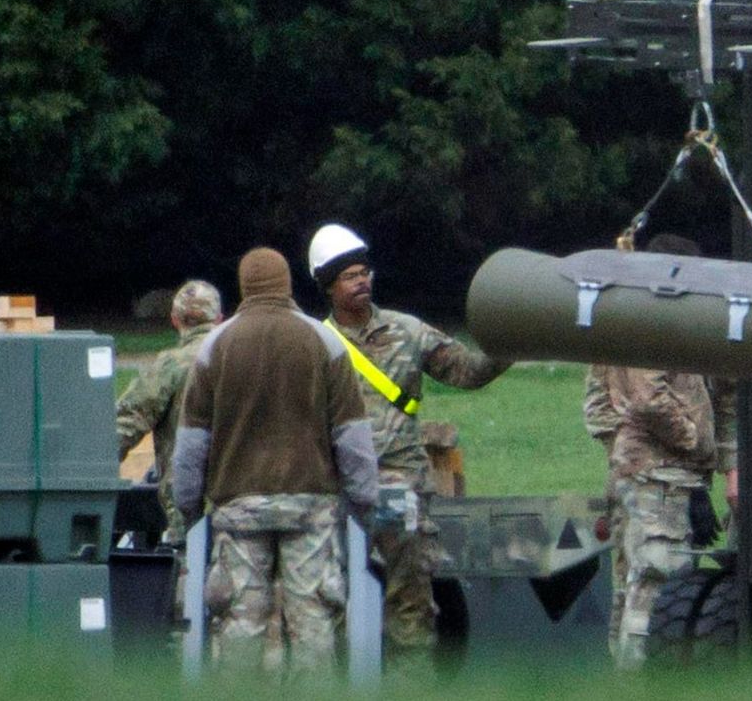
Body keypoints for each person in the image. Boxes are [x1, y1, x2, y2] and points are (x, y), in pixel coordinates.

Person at [307, 222, 510, 665]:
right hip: (334, 487)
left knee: (412, 601)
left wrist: (510, 342)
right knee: (329, 600)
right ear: (327, 286)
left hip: (401, 487)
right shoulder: (314, 344)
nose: (361, 281)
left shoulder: (406, 331)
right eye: (348, 276)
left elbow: (467, 370)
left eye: (365, 272)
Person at [171, 247, 378, 674]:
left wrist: (189, 505)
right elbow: (351, 433)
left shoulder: (216, 345)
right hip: (311, 506)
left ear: (244, 286)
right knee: (314, 624)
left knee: (240, 625)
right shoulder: (324, 341)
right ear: (287, 283)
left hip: (239, 506)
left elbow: (192, 440)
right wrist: (363, 498)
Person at [580, 232, 738, 669]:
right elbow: (649, 399)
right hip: (658, 479)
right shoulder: (649, 323)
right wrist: (699, 446)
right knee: (654, 590)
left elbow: (599, 408)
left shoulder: (659, 322)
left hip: (648, 475)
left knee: (631, 589)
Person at [115, 279, 222, 545]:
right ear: (219, 319)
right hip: (241, 507)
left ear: (175, 320)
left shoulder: (169, 366)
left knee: (191, 581)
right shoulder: (243, 359)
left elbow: (124, 427)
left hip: (187, 509)